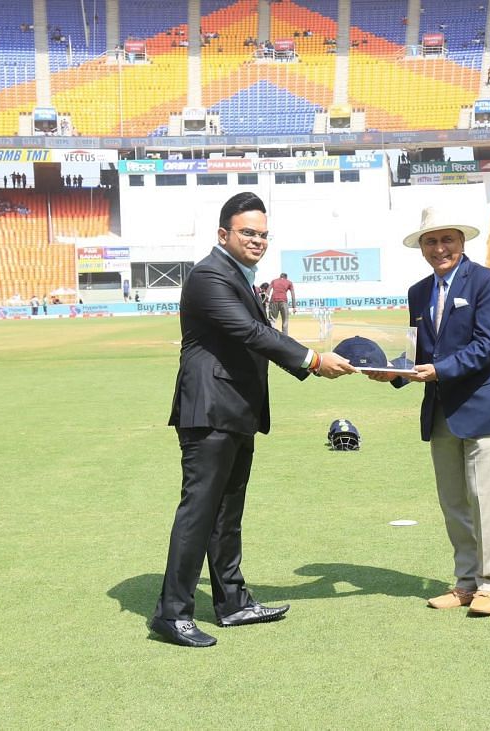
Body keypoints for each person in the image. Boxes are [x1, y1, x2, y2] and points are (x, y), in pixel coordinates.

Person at [150, 192, 355, 648]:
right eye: (248, 232)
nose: (258, 240)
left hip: (235, 409)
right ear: (223, 234)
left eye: (263, 234)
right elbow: (250, 332)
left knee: (226, 513)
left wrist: (310, 362)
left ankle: (233, 602)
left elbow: (253, 337)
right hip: (209, 411)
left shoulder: (237, 275)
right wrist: (312, 360)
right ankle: (172, 611)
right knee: (199, 512)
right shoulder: (209, 275)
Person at [367, 206, 490, 617]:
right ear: (421, 248)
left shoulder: (489, 282)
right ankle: (466, 583)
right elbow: (419, 350)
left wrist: (438, 370)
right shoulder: (419, 292)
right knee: (454, 502)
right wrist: (392, 372)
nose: (440, 248)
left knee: (485, 500)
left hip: (485, 410)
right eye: (431, 241)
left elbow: (489, 345)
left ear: (462, 242)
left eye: (447, 239)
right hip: (440, 413)